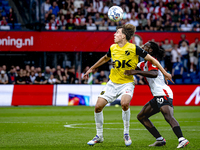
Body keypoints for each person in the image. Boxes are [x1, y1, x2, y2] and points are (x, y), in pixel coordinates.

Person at [83, 24, 173, 147]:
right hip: (112, 83)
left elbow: (153, 60)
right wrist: (91, 69)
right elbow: (105, 58)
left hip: (127, 83)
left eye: (117, 33)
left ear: (123, 36)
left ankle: (126, 134)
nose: (114, 35)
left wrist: (165, 72)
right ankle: (99, 136)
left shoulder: (134, 48)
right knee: (98, 107)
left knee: (124, 103)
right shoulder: (113, 47)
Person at [124, 42, 189, 148]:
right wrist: (119, 64)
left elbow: (154, 74)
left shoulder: (152, 61)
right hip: (157, 95)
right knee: (142, 116)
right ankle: (160, 139)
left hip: (163, 93)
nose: (142, 47)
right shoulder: (142, 64)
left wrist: (135, 72)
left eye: (145, 46)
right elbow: (131, 67)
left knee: (168, 116)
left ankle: (182, 139)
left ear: (150, 51)